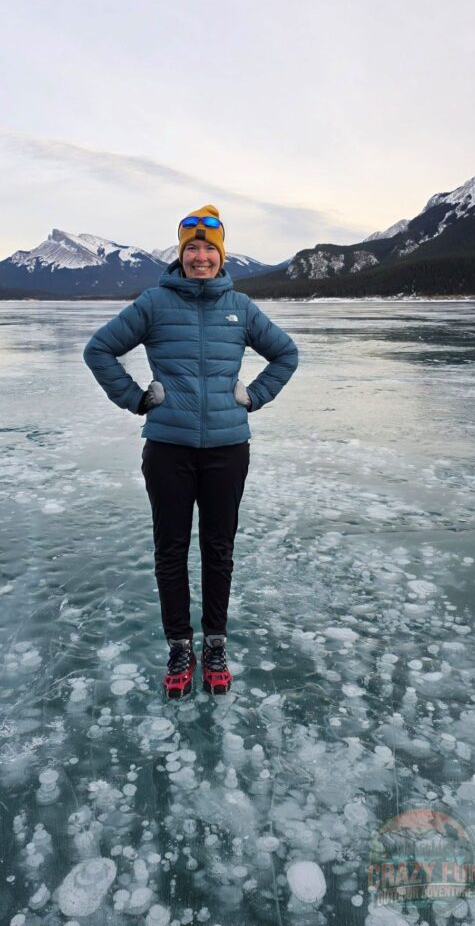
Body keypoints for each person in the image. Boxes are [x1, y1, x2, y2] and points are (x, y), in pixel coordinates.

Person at [83, 204, 298, 698]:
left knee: (218, 549)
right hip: (168, 448)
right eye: (191, 249)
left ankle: (215, 643)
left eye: (209, 250)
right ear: (180, 255)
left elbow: (286, 353)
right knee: (171, 549)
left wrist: (255, 395)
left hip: (227, 448)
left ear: (221, 257)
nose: (200, 258)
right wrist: (136, 398)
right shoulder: (154, 303)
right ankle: (180, 644)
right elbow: (99, 349)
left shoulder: (240, 308)